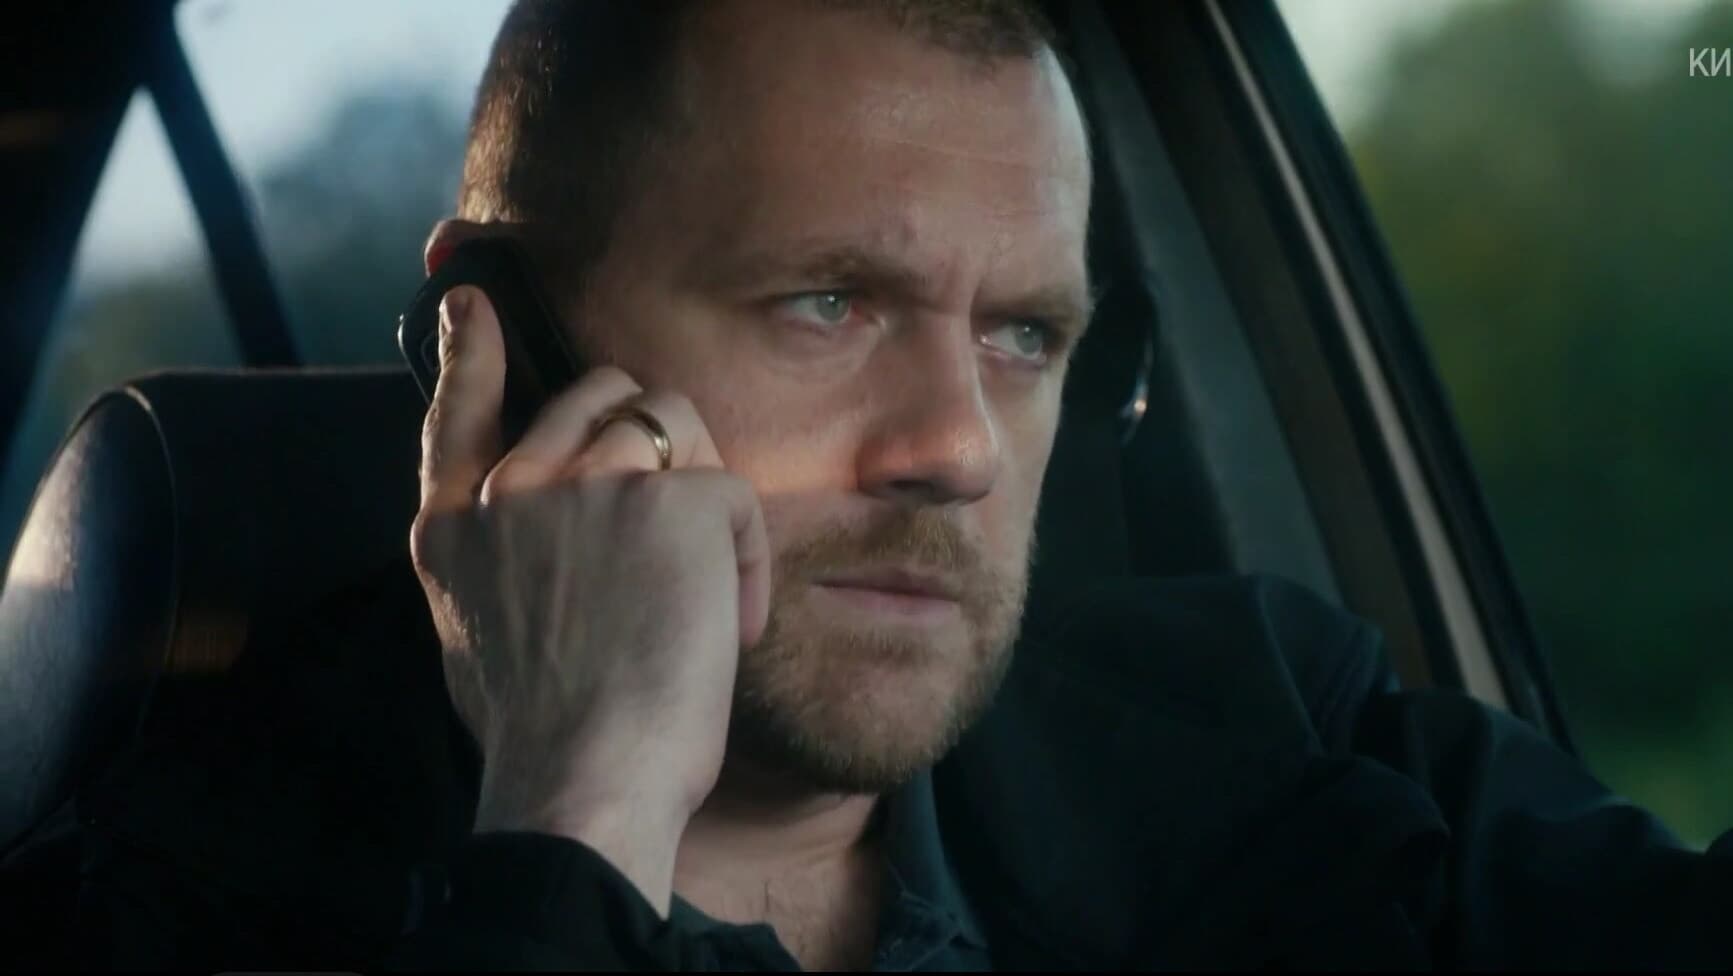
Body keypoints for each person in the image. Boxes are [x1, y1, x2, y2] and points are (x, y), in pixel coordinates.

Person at [51, 0, 1733, 971]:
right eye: (828, 302)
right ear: (489, 334)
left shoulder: (1282, 741)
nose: (960, 447)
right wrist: (577, 822)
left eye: (1023, 334)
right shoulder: (163, 901)